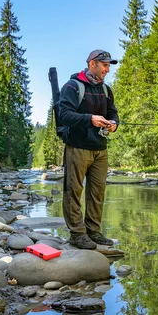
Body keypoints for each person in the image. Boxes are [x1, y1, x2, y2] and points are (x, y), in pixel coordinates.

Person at [59, 49, 119, 249]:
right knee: (73, 191)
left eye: (109, 66)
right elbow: (64, 116)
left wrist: (114, 124)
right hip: (77, 147)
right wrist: (89, 119)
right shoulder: (73, 86)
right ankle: (77, 234)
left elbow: (113, 113)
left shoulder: (106, 90)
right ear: (92, 63)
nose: (107, 70)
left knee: (97, 192)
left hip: (100, 149)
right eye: (104, 65)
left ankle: (93, 231)